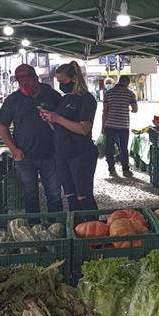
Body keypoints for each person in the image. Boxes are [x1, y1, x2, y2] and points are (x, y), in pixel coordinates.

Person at [0, 64, 63, 214]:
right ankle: (34, 225)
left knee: (54, 194)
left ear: (36, 78)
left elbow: (64, 121)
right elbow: (2, 125)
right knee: (30, 195)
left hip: (50, 154)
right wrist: (14, 150)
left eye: (28, 80)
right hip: (24, 156)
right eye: (21, 81)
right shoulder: (13, 100)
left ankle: (58, 224)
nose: (25, 84)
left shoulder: (52, 95)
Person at [40, 62, 99, 211]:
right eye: (58, 82)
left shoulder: (86, 99)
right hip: (62, 154)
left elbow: (84, 129)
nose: (61, 85)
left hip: (80, 154)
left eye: (63, 81)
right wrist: (50, 120)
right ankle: (75, 223)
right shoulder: (64, 99)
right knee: (70, 197)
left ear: (74, 78)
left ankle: (91, 223)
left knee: (84, 197)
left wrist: (58, 118)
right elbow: (60, 127)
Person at [102, 75, 138, 177]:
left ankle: (111, 170)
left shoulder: (108, 93)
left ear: (119, 81)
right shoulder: (130, 94)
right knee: (123, 148)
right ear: (127, 83)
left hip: (110, 125)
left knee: (109, 148)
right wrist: (127, 108)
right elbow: (135, 110)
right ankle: (125, 170)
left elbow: (105, 111)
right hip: (123, 125)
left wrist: (103, 126)